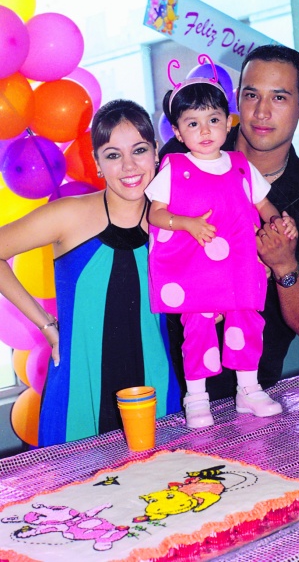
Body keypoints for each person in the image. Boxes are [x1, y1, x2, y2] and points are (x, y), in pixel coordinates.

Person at [159, 45, 299, 398]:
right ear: (237, 98)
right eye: (252, 94)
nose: (261, 111)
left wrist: (284, 265)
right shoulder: (183, 155)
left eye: (279, 98)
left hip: (245, 394)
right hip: (164, 376)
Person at [0, 99, 181, 447]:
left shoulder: (175, 219)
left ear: (156, 152)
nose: (129, 165)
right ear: (97, 162)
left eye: (139, 150)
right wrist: (45, 325)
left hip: (155, 389)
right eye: (113, 155)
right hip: (78, 394)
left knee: (160, 478)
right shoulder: (68, 215)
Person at [145, 57, 297, 428]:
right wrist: (186, 224)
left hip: (238, 266)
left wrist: (280, 222)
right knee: (197, 328)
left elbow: (263, 205)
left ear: (228, 122)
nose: (205, 130)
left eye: (213, 120)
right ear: (178, 132)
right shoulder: (174, 168)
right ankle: (197, 397)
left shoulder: (241, 165)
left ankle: (249, 389)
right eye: (192, 123)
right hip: (194, 270)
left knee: (246, 320)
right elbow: (155, 215)